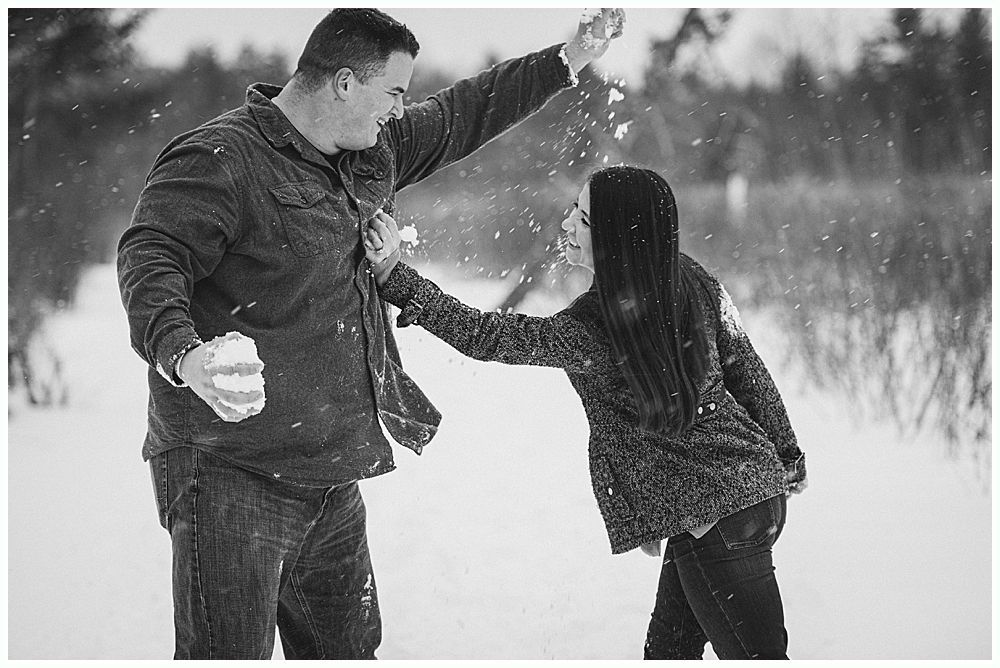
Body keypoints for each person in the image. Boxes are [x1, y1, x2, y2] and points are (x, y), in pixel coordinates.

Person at [117, 7, 625, 660]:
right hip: (228, 472)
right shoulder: (222, 160)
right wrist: (182, 354)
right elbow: (152, 255)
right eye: (393, 92)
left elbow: (469, 110)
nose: (398, 109)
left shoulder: (372, 151)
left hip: (330, 471)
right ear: (344, 85)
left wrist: (571, 57)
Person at [362, 165, 808, 660]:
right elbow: (746, 367)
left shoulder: (597, 327)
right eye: (574, 210)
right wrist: (787, 456)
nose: (568, 224)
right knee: (667, 653)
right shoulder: (688, 278)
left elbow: (488, 336)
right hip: (740, 502)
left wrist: (395, 278)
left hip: (719, 518)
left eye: (586, 220)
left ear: (618, 237)